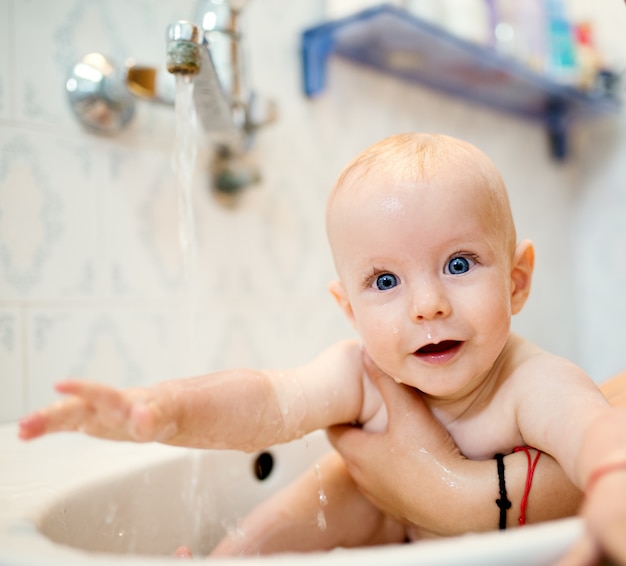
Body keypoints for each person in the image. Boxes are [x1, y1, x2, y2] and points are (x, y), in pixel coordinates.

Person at [18, 133, 626, 563]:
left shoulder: (532, 383)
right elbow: (267, 402)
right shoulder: (361, 372)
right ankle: (228, 561)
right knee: (339, 487)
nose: (427, 304)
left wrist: (612, 494)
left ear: (516, 281)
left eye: (459, 263)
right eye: (385, 281)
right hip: (400, 539)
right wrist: (162, 411)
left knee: (353, 480)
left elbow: (596, 436)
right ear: (349, 309)